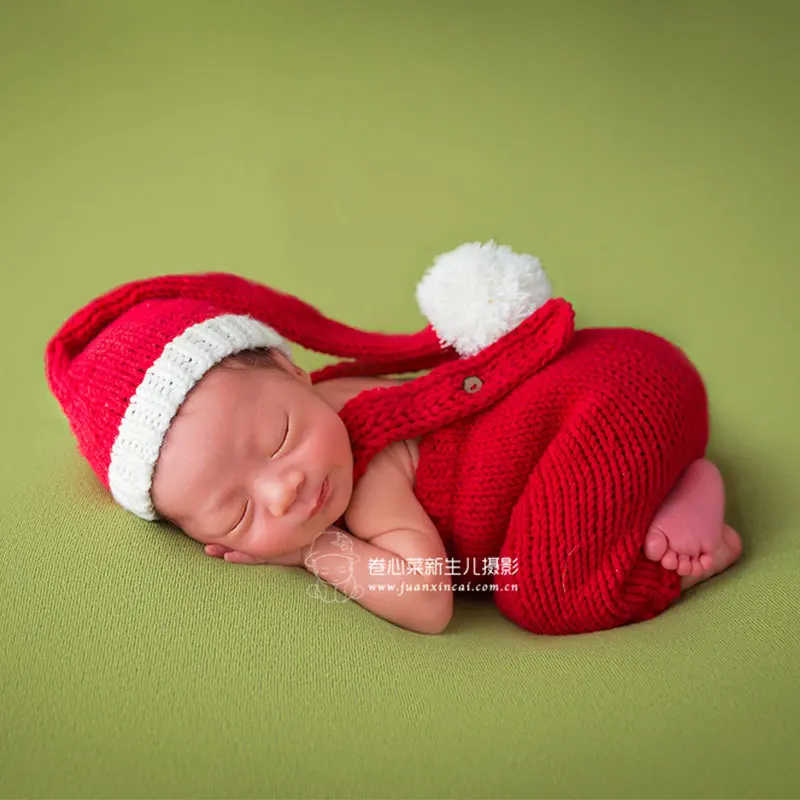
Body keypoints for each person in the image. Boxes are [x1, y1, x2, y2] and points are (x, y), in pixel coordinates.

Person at [44, 241, 742, 636]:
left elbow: (432, 599)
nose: (284, 488)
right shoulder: (318, 403)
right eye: (239, 512)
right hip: (625, 372)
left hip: (614, 406)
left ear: (294, 369)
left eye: (281, 438)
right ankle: (672, 480)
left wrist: (316, 550)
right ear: (212, 540)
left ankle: (684, 536)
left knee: (542, 592)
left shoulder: (367, 467)